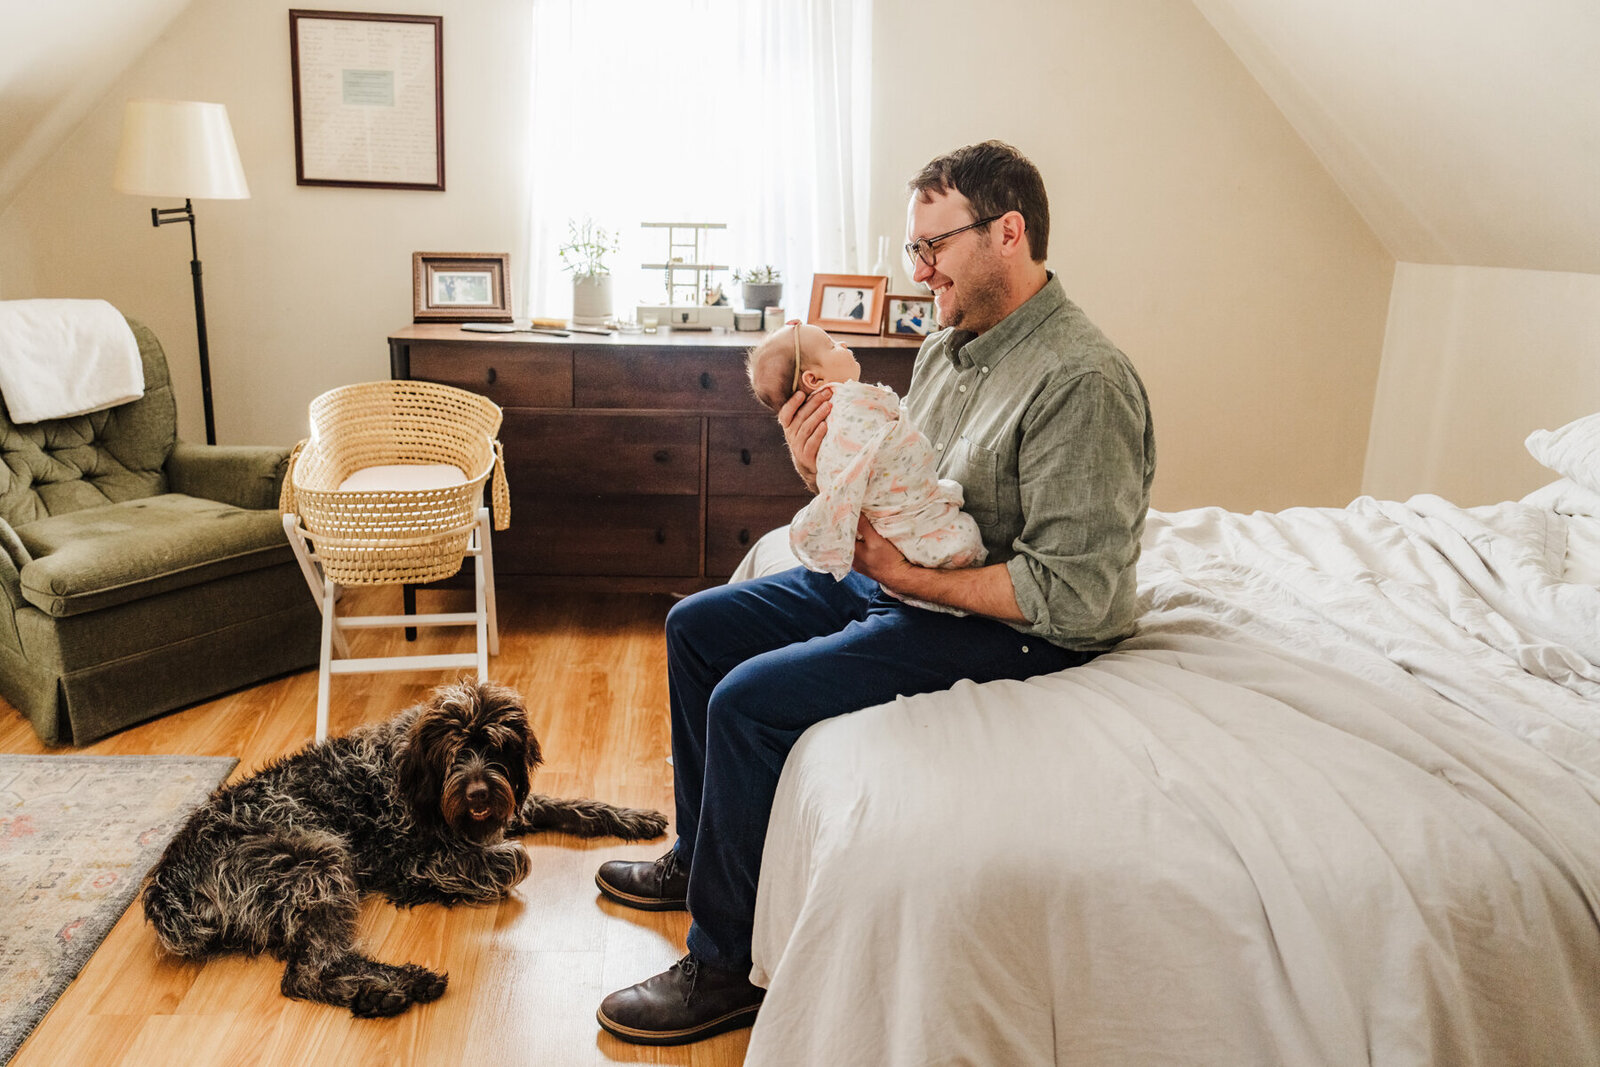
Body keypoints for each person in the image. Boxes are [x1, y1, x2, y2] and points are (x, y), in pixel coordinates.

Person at [594, 139, 1157, 1046]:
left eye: (934, 245)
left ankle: (726, 964)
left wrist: (905, 576)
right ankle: (701, 857)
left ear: (1009, 234)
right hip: (911, 584)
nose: (919, 268)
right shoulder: (948, 347)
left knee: (747, 703)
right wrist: (820, 467)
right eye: (913, 248)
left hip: (1013, 626)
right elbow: (903, 479)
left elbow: (1081, 595)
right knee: (696, 627)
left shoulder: (1081, 381)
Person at [745, 319, 986, 612]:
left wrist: (899, 574)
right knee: (685, 620)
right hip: (883, 548)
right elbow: (858, 473)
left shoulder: (857, 405)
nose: (843, 345)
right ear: (813, 380)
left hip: (913, 571)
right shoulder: (930, 353)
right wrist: (812, 471)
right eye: (832, 345)